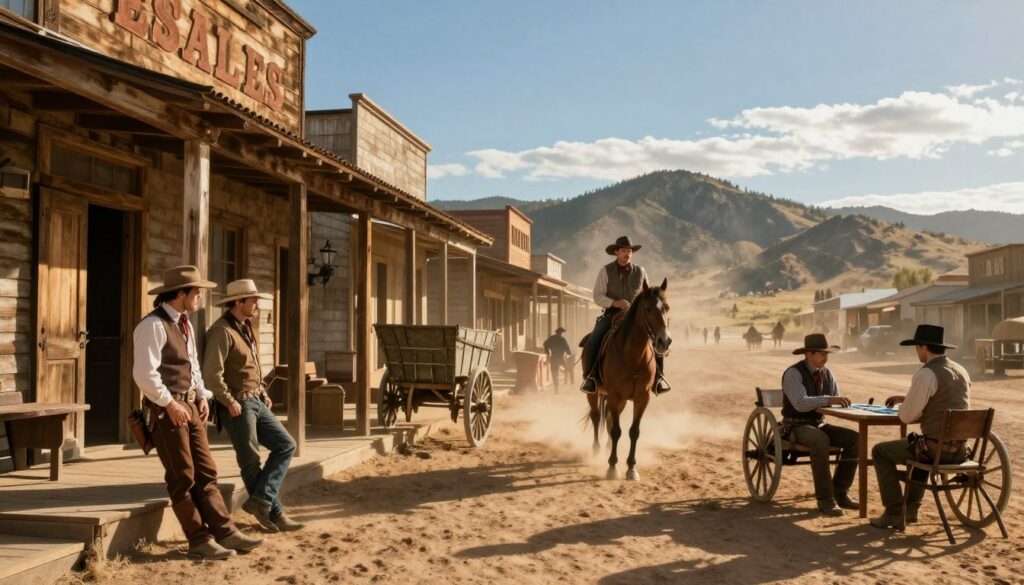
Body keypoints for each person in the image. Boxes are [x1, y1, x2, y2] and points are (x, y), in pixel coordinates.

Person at [132, 266, 263, 560]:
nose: (201, 297)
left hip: (190, 406)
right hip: (167, 411)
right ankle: (199, 539)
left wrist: (202, 396)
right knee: (182, 477)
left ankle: (226, 532)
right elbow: (144, 374)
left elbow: (192, 364)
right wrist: (169, 403)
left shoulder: (185, 323)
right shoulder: (153, 326)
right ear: (181, 294)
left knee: (206, 471)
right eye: (197, 292)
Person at [203, 279, 304, 533]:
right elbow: (211, 375)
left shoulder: (246, 327)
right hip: (237, 404)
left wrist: (261, 391)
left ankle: (260, 501)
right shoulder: (221, 331)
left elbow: (249, 368)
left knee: (286, 444)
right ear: (238, 302)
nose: (257, 304)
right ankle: (275, 513)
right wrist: (229, 401)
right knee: (250, 461)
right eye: (253, 299)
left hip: (256, 400)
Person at [869, 324, 969, 530]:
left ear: (923, 347)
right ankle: (912, 509)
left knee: (881, 451)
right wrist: (907, 398)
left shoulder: (926, 374)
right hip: (959, 450)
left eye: (917, 348)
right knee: (919, 445)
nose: (917, 352)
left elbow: (906, 416)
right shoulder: (961, 371)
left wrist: (906, 405)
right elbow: (945, 400)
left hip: (934, 450)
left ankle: (895, 511)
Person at [580, 236, 670, 395]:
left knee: (656, 338)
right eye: (623, 250)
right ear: (616, 252)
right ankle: (590, 378)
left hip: (636, 317)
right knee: (594, 339)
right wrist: (615, 303)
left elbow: (647, 295)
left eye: (629, 251)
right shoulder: (605, 271)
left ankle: (659, 378)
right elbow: (597, 296)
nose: (627, 253)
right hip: (612, 315)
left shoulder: (640, 271)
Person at [781, 333, 860, 516]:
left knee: (856, 439)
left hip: (818, 424)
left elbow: (835, 398)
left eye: (826, 355)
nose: (825, 358)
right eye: (821, 354)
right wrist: (828, 399)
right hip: (795, 427)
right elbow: (800, 403)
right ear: (809, 354)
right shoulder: (793, 373)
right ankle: (825, 499)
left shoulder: (827, 373)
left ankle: (841, 492)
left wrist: (839, 401)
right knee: (820, 439)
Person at [542, 326, 573, 391]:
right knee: (567, 368)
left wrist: (547, 352)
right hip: (560, 357)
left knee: (554, 372)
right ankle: (565, 376)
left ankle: (556, 386)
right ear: (561, 333)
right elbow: (567, 348)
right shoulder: (562, 339)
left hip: (553, 357)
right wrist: (569, 353)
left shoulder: (551, 338)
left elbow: (545, 344)